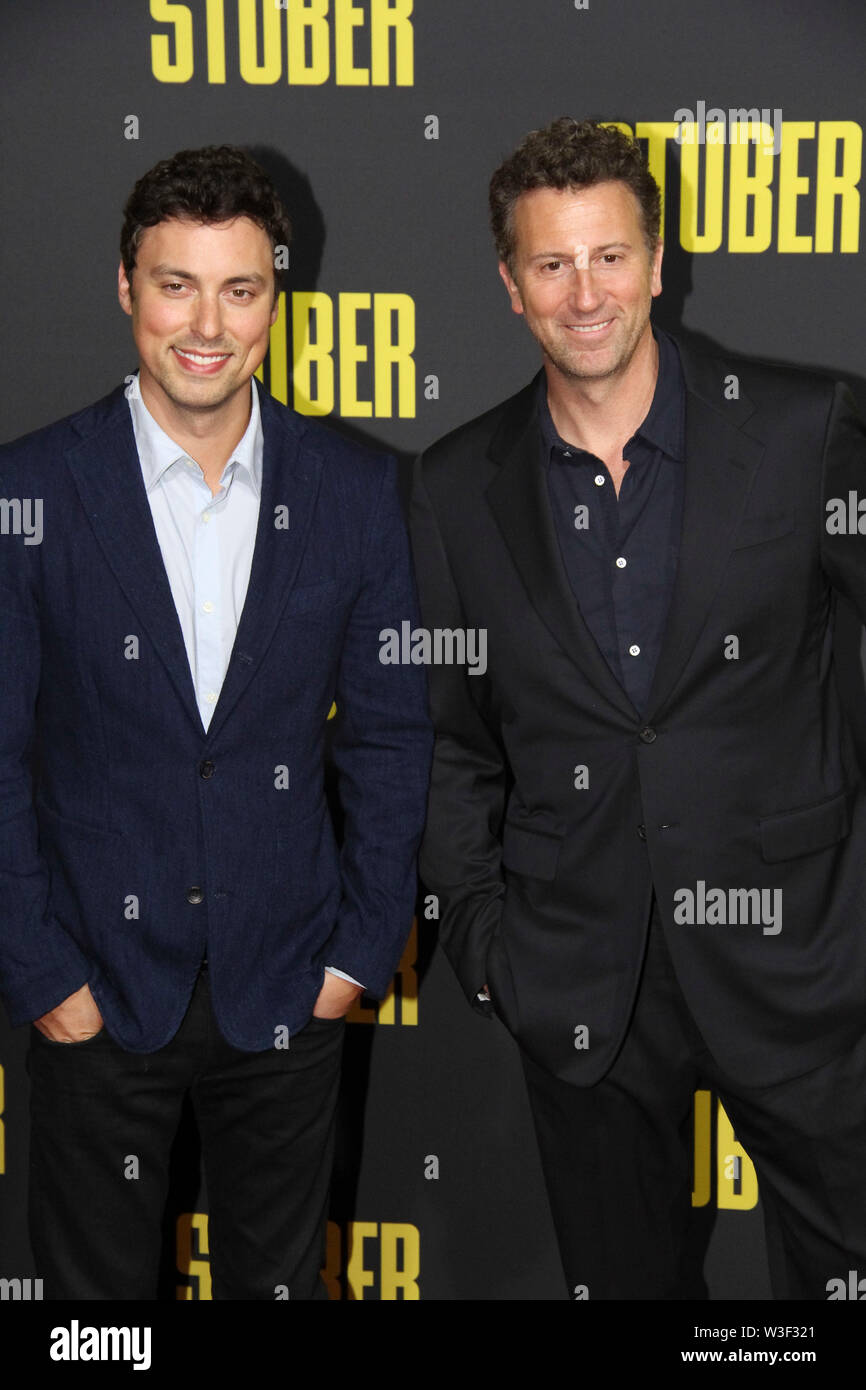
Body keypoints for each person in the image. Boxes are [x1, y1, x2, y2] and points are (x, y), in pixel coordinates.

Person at [410, 117, 866, 1300]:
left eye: (608, 256)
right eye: (550, 264)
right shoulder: (456, 485)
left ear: (657, 263)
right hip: (577, 986)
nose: (583, 294)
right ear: (509, 285)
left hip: (802, 958)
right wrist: (485, 944)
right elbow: (450, 741)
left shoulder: (803, 430)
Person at [0, 144, 432, 1300]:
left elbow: (392, 735)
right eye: (176, 283)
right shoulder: (28, 492)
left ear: (274, 300)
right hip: (91, 990)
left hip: (287, 989)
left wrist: (354, 954)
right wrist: (42, 973)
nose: (207, 322)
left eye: (238, 288)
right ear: (126, 288)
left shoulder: (352, 491)